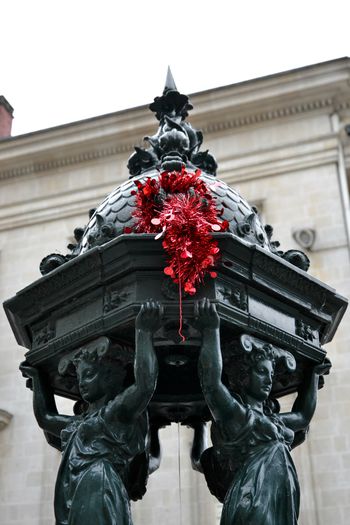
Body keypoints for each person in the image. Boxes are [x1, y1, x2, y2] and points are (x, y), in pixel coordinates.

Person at [20, 300, 162, 525]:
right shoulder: (80, 422)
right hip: (76, 488)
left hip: (98, 484)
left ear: (109, 376)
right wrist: (38, 381)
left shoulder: (113, 415)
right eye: (79, 377)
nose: (82, 383)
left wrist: (143, 332)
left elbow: (144, 386)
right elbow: (45, 418)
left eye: (88, 375)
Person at [195, 298, 331, 525]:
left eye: (271, 373)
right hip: (253, 497)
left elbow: (302, 416)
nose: (269, 379)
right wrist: (211, 330)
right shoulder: (238, 417)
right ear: (244, 375)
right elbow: (212, 386)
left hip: (279, 499)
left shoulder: (273, 420)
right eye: (261, 371)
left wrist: (313, 375)